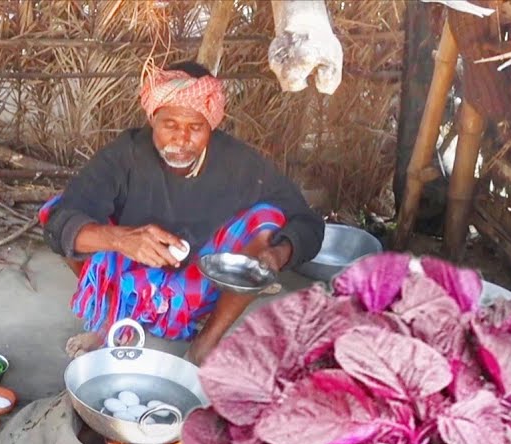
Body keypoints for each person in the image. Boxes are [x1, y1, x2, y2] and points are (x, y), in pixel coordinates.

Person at [41, 61, 323, 364]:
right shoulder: (125, 155)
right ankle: (112, 319)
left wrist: (277, 256)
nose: (181, 139)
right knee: (61, 214)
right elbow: (59, 223)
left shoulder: (239, 164)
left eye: (195, 127)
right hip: (130, 277)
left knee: (266, 219)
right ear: (153, 119)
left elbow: (308, 222)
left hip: (198, 284)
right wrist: (121, 239)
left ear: (211, 126)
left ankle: (206, 342)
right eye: (170, 125)